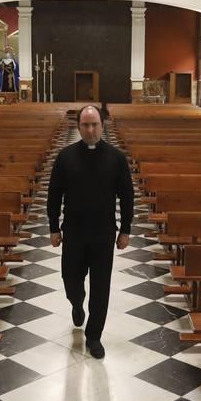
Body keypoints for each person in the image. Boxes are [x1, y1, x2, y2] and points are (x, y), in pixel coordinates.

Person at [47, 104, 134, 359]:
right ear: (79, 127)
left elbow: (127, 196)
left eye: (95, 124)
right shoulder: (65, 157)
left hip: (103, 234)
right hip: (73, 232)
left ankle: (94, 336)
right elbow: (54, 195)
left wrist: (126, 229)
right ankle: (76, 302)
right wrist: (53, 227)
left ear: (102, 125)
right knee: (70, 280)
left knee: (101, 287)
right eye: (85, 125)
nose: (91, 129)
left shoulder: (116, 158)